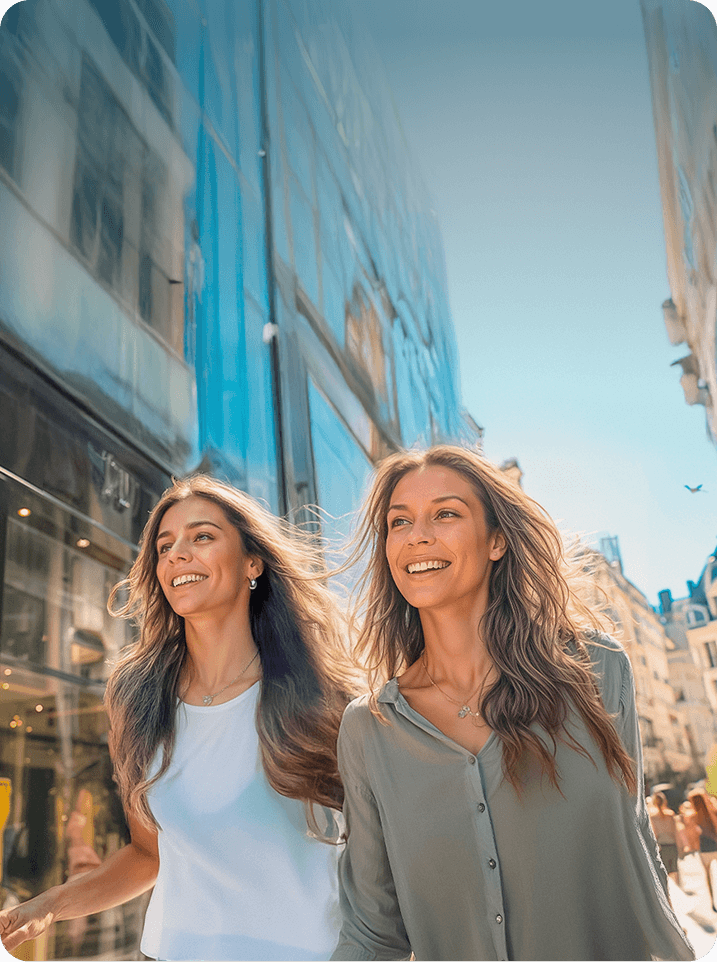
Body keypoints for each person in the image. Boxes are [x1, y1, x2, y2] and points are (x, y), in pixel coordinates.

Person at [331, 444, 694, 962]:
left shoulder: (596, 672)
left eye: (446, 514)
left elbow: (633, 851)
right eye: (399, 522)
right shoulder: (369, 729)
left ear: (496, 540)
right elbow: (372, 931)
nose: (418, 536)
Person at [0, 475, 357, 961]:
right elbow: (149, 855)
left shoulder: (326, 699)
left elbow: (380, 860)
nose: (176, 555)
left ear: (253, 561)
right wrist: (49, 905)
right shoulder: (138, 699)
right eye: (164, 546)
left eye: (202, 537)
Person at [687, 789, 717, 912]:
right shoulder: (713, 812)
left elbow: (693, 837)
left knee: (708, 877)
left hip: (704, 850)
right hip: (716, 846)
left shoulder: (692, 817)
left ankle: (713, 902)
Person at [649, 791, 681, 887]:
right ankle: (677, 890)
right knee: (675, 871)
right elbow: (676, 832)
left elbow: (655, 834)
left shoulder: (653, 816)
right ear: (664, 801)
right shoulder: (670, 814)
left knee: (664, 872)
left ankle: (668, 895)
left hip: (661, 847)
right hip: (672, 845)